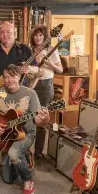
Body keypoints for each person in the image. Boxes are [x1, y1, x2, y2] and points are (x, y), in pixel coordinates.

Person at [0, 64, 50, 194]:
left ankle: (28, 179)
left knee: (13, 154)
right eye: (6, 77)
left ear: (19, 77)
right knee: (8, 179)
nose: (9, 80)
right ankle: (23, 157)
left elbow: (38, 121)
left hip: (25, 134)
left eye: (12, 76)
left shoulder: (30, 93)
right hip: (7, 135)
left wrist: (45, 119)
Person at [0, 20, 32, 170]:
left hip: (17, 93)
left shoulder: (24, 50)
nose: (6, 35)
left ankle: (16, 152)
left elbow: (35, 69)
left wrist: (31, 71)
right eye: (3, 32)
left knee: (15, 124)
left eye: (9, 32)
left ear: (14, 34)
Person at [28, 26, 63, 160]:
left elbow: (60, 69)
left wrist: (49, 63)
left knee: (42, 117)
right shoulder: (29, 50)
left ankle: (38, 151)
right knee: (28, 116)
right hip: (31, 84)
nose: (38, 38)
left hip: (45, 85)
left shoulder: (51, 50)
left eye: (41, 35)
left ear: (46, 37)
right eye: (36, 35)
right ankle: (26, 148)